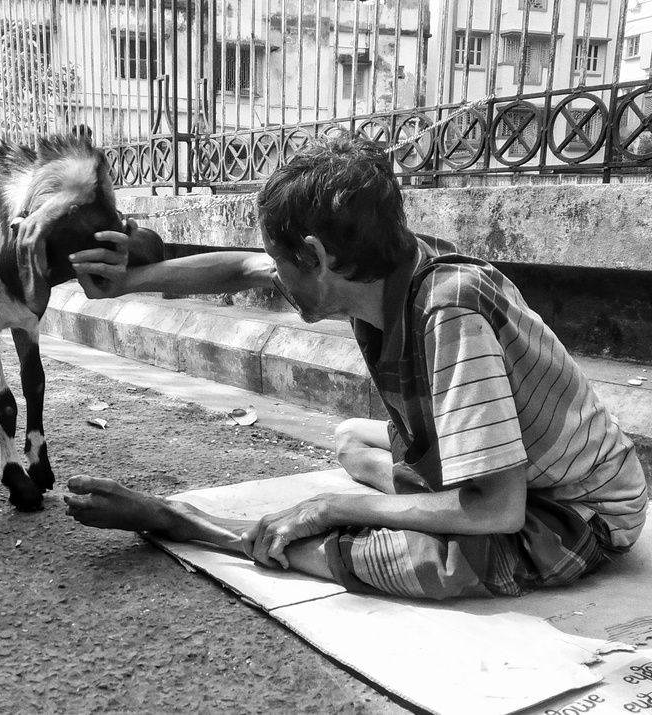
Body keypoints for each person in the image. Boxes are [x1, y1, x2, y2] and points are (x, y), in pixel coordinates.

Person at [62, 133, 648, 600]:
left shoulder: (449, 311)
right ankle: (421, 506)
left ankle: (189, 523)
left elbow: (499, 509)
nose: (274, 273)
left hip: (578, 509)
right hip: (506, 469)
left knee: (416, 560)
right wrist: (125, 284)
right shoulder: (379, 268)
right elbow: (243, 270)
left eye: (281, 259)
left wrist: (334, 507)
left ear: (316, 258)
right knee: (350, 441)